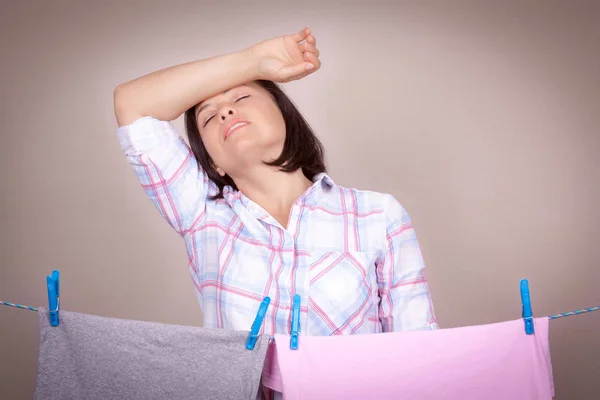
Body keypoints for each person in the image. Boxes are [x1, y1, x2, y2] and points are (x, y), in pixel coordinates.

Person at [113, 27, 438, 398]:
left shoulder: (378, 214)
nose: (226, 111)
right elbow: (131, 104)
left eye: (241, 96)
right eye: (207, 117)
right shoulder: (203, 216)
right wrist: (251, 61)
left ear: (285, 115)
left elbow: (418, 353)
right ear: (213, 163)